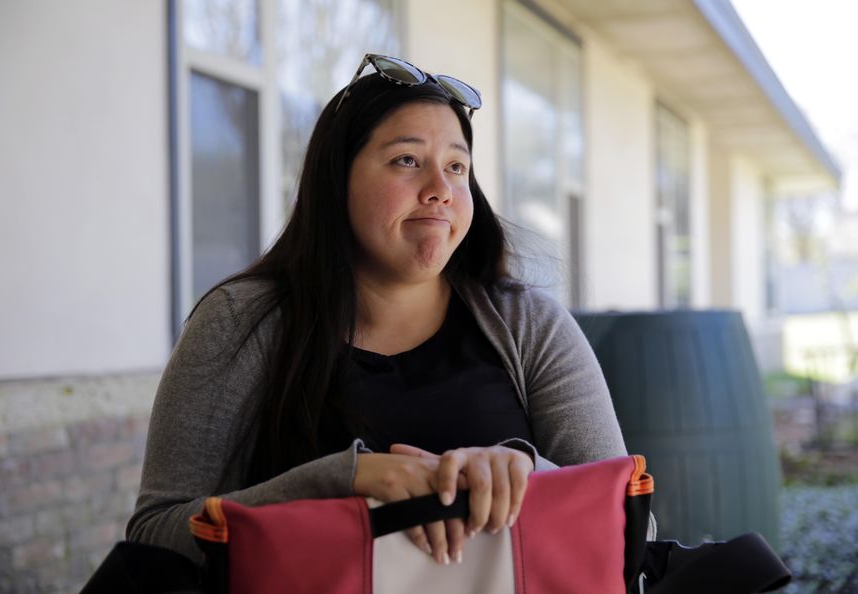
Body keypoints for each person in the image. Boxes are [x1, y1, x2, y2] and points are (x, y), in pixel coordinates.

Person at [126, 54, 630, 567]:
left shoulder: (530, 326)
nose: (441, 189)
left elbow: (632, 525)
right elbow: (154, 534)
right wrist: (342, 480)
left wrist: (524, 470)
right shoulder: (242, 320)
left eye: (457, 167)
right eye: (407, 160)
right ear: (336, 179)